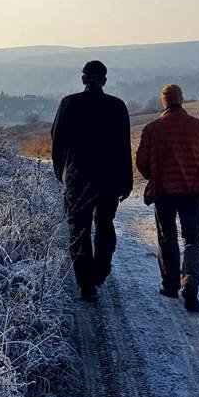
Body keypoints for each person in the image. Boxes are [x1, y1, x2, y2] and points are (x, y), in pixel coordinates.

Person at [51, 60, 133, 302]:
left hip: (78, 177)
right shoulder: (117, 106)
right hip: (109, 177)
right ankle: (101, 270)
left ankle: (86, 284)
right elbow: (123, 146)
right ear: (105, 80)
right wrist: (126, 181)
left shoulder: (69, 103)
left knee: (80, 228)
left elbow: (57, 141)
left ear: (83, 79)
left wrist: (60, 171)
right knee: (105, 223)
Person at [135, 84, 199, 312]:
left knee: (167, 237)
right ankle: (190, 281)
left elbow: (141, 161)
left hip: (164, 191)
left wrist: (155, 176)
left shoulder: (152, 128)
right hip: (192, 191)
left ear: (164, 102)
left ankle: (171, 285)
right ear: (181, 100)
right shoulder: (198, 126)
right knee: (192, 238)